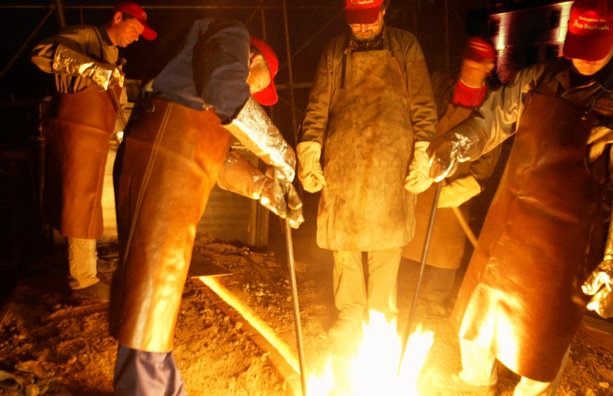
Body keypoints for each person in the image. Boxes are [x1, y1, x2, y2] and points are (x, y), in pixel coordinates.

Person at [428, 0, 613, 394]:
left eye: (595, 50)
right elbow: (493, 118)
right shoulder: (539, 77)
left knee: (542, 339)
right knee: (477, 316)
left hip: (564, 240)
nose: (584, 61)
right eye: (578, 48)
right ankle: (473, 382)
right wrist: (458, 142)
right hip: (509, 220)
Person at [109, 17, 300, 395]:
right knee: (150, 285)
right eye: (260, 86)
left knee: (157, 284)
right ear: (256, 62)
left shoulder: (203, 89)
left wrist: (265, 189)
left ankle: (161, 382)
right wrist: (280, 152)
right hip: (163, 164)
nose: (254, 93)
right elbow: (227, 94)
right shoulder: (231, 35)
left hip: (170, 164)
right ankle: (143, 387)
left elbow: (216, 159)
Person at [296, 0, 437, 354]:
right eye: (355, 22)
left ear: (384, 10)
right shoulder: (335, 51)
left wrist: (423, 155)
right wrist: (310, 152)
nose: (361, 28)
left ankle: (379, 314)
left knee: (386, 241)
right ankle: (350, 312)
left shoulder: (405, 46)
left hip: (391, 156)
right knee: (344, 243)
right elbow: (318, 105)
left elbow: (422, 102)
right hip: (343, 158)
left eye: (368, 20)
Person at [30, 1, 157, 303]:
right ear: (117, 18)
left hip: (94, 137)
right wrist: (97, 70)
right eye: (135, 29)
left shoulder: (114, 55)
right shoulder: (86, 35)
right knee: (79, 206)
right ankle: (82, 281)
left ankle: (87, 270)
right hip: (75, 133)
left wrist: (119, 132)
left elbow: (107, 99)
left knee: (86, 205)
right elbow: (41, 54)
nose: (136, 37)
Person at [401, 36, 502, 317]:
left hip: (459, 176)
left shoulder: (493, 102)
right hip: (426, 166)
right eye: (466, 63)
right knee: (413, 233)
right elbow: (419, 115)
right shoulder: (441, 85)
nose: (469, 68)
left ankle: (434, 299)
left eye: (476, 65)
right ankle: (406, 291)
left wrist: (473, 182)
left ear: (489, 67)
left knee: (447, 242)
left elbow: (492, 144)